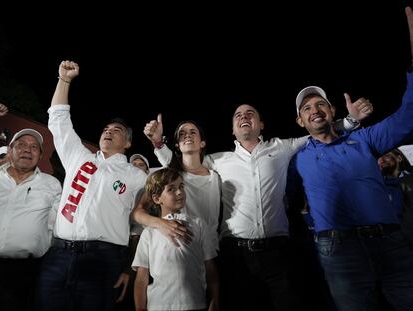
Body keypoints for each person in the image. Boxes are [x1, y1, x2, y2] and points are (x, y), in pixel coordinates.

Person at [141, 101, 371, 309]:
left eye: (250, 113)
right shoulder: (218, 160)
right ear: (232, 129)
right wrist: (159, 143)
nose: (244, 116)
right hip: (236, 255)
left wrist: (350, 121)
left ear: (261, 124)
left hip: (279, 253)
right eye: (238, 114)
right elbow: (182, 164)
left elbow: (317, 132)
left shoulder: (282, 147)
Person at [292, 8, 413, 309]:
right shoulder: (296, 157)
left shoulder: (364, 139)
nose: (315, 110)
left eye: (321, 104)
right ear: (299, 122)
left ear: (332, 111)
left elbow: (408, 115)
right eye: (307, 108)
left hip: (389, 241)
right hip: (339, 250)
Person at [35, 60, 147, 311]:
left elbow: (141, 225)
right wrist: (64, 81)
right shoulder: (79, 157)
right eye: (106, 128)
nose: (108, 131)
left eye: (116, 130)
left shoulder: (136, 176)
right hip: (58, 255)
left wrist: (130, 267)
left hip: (104, 258)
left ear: (128, 143)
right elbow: (58, 121)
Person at [133, 167, 219, 311]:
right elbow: (141, 279)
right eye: (171, 189)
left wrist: (215, 300)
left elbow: (210, 268)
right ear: (156, 198)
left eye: (181, 187)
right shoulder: (149, 233)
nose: (179, 192)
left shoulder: (198, 224)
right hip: (158, 305)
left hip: (195, 303)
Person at [0, 127, 62, 311]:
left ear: (40, 155)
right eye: (21, 145)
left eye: (34, 147)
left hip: (24, 272)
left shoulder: (51, 184)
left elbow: (54, 225)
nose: (27, 149)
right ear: (10, 151)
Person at [135, 118, 221, 250]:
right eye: (182, 133)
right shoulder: (170, 177)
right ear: (177, 145)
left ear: (202, 143)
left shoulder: (216, 177)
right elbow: (138, 212)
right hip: (180, 247)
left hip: (212, 249)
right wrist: (160, 223)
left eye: (193, 132)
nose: (187, 135)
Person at [378, 148, 413, 244]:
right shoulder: (376, 188)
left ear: (399, 158)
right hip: (394, 241)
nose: (381, 160)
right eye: (378, 158)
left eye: (386, 155)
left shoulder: (410, 179)